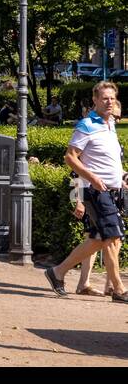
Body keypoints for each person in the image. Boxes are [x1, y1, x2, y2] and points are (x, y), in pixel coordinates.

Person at [43, 82, 127, 302]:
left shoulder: (109, 125)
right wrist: (92, 180)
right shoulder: (87, 124)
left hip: (112, 190)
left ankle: (57, 272)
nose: (109, 102)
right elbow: (70, 158)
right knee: (112, 237)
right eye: (105, 98)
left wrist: (123, 176)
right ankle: (118, 289)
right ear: (95, 101)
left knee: (101, 239)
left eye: (112, 98)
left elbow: (108, 160)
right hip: (96, 191)